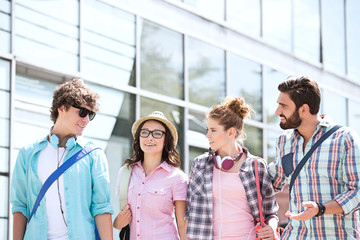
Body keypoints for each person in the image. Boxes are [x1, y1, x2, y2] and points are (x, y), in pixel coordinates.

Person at [10, 79, 113, 240]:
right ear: (61, 108)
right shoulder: (28, 153)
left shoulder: (94, 154)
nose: (86, 120)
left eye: (90, 115)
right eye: (82, 112)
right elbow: (20, 206)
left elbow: (101, 207)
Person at [268, 75, 360, 239]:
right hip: (296, 235)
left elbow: (357, 191)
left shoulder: (344, 138)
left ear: (303, 109)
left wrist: (320, 208)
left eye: (283, 106)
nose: (277, 111)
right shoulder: (284, 142)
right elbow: (268, 184)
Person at [186, 96, 279, 240]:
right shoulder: (200, 165)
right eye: (207, 130)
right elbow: (191, 212)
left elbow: (271, 212)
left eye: (213, 130)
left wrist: (271, 228)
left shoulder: (256, 165)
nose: (207, 135)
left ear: (230, 132)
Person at [113, 111, 188, 240]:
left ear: (166, 140)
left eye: (157, 134)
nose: (150, 138)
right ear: (139, 137)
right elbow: (120, 219)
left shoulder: (177, 177)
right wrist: (117, 223)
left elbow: (182, 226)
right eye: (144, 132)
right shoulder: (125, 172)